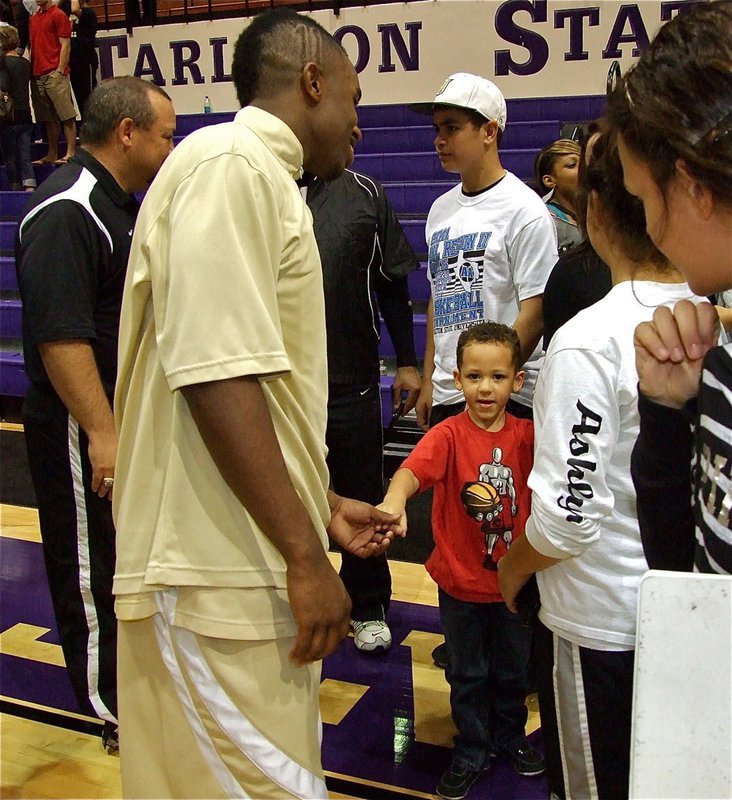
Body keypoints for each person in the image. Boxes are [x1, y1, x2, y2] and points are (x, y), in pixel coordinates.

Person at [112, 10, 402, 798]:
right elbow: (215, 376)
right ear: (311, 81)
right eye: (353, 97)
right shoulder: (232, 165)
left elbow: (248, 385)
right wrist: (306, 556)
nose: (359, 122)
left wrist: (320, 504)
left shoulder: (255, 174)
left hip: (234, 566)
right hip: (212, 571)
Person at [497, 128, 710, 800]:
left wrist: (511, 569)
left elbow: (567, 519)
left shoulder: (587, 340)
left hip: (602, 625)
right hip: (693, 615)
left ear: (595, 212)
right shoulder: (708, 312)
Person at [15, 76, 175, 753]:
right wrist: (102, 431)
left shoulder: (117, 205)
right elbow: (60, 338)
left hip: (116, 417)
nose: (171, 148)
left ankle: (134, 688)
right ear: (127, 133)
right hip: (79, 423)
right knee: (90, 566)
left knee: (123, 557)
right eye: (166, 135)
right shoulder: (69, 208)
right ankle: (111, 709)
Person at [380, 321, 544, 800]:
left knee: (513, 671)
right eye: (474, 377)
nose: (485, 388)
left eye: (497, 377)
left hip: (513, 584)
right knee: (467, 673)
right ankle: (471, 747)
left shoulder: (529, 436)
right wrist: (393, 500)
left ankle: (510, 735)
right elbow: (411, 472)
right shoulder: (448, 435)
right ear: (457, 379)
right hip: (459, 584)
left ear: (517, 380)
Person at [606, 0, 732, 575]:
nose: (651, 230)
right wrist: (665, 412)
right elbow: (685, 581)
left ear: (693, 188)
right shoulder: (717, 348)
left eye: (643, 201)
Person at [305, 166, 421, 653]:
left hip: (350, 378)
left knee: (360, 494)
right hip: (280, 383)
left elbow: (393, 283)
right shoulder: (262, 182)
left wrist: (408, 362)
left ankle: (368, 605)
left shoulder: (366, 194)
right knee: (283, 491)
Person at [412, 72, 557, 434]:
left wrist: (492, 383)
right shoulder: (440, 209)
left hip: (503, 400)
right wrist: (430, 378)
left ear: (489, 131)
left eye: (452, 128)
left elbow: (536, 310)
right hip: (450, 392)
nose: (439, 140)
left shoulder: (524, 210)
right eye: (437, 129)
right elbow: (438, 298)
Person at [28, 0, 76, 165]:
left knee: (66, 115)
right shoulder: (34, 18)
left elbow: (65, 45)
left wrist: (60, 70)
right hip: (38, 73)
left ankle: (70, 152)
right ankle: (52, 153)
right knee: (48, 117)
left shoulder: (58, 15)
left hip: (54, 72)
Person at [0, 24, 36, 190]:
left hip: (9, 116)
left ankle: (15, 186)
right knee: (25, 154)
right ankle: (30, 184)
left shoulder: (3, 64)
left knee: (11, 156)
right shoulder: (25, 63)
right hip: (25, 113)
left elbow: (4, 85)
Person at [533, 138, 583, 254]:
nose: (583, 168)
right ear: (549, 180)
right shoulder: (544, 222)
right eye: (572, 165)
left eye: (584, 162)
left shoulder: (600, 213)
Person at [68, 0, 96, 123]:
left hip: (85, 61)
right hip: (72, 62)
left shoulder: (89, 13)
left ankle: (92, 127)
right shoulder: (68, 15)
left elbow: (75, 9)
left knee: (87, 99)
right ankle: (85, 126)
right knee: (78, 98)